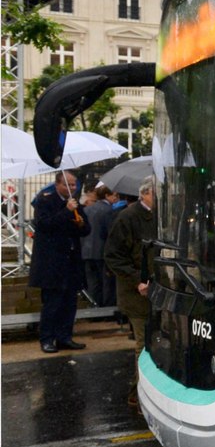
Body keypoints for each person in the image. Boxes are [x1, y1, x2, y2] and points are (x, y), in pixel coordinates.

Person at [105, 176, 157, 405]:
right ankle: (139, 394)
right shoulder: (127, 217)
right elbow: (113, 256)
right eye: (157, 192)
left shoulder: (160, 216)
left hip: (157, 290)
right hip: (137, 293)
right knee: (143, 344)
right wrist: (138, 281)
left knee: (155, 343)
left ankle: (145, 391)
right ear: (145, 193)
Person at [30, 171, 91, 354]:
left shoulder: (74, 203)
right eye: (67, 185)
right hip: (52, 262)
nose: (72, 188)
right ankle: (47, 339)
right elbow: (44, 225)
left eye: (74, 184)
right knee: (52, 303)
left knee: (69, 302)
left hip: (71, 261)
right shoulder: (45, 201)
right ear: (57, 185)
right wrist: (66, 211)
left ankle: (65, 337)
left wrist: (81, 223)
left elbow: (86, 229)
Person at [81, 183, 114, 306]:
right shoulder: (108, 211)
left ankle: (93, 305)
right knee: (105, 282)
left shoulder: (86, 210)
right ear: (107, 195)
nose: (115, 198)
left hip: (86, 251)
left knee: (92, 281)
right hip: (101, 251)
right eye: (114, 195)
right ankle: (105, 308)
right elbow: (109, 233)